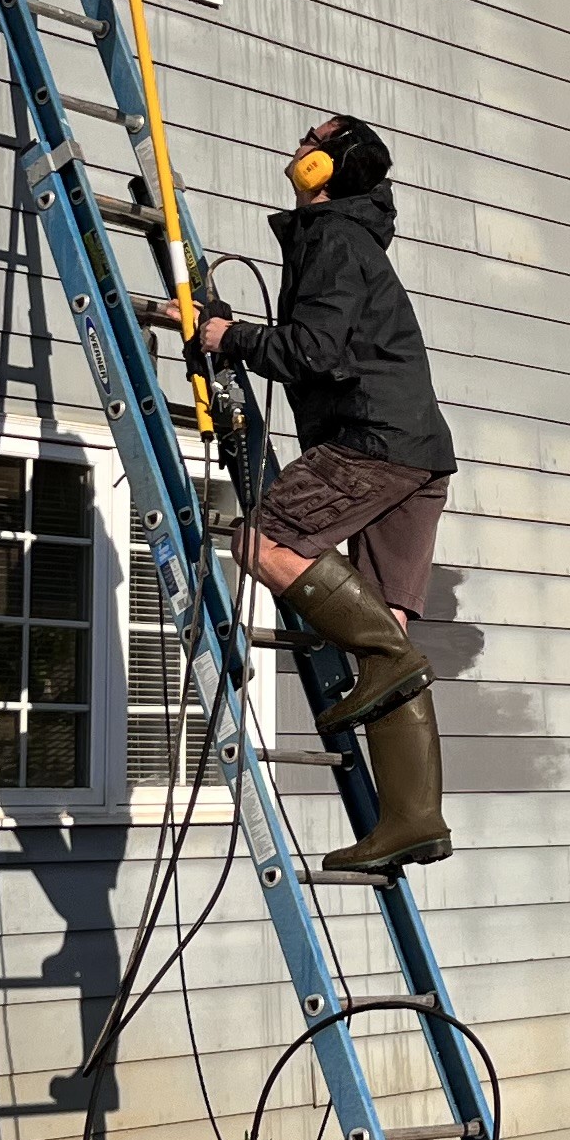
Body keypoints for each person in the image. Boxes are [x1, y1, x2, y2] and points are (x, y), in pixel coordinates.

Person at [197, 115, 456, 876]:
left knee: (260, 541)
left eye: (308, 139)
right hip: (417, 451)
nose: (295, 144)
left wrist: (226, 338)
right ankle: (412, 820)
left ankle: (384, 664)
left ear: (325, 169)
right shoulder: (353, 239)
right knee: (391, 633)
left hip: (372, 441)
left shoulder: (333, 239)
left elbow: (312, 351)